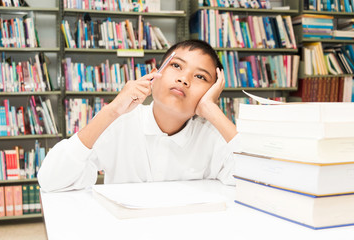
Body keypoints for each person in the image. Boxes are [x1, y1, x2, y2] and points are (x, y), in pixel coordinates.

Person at [38, 40, 240, 192]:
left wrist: (211, 109)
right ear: (154, 75)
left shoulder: (213, 136)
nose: (183, 78)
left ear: (211, 91)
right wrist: (112, 110)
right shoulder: (120, 123)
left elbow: (263, 183)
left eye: (200, 77)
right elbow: (51, 180)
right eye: (176, 65)